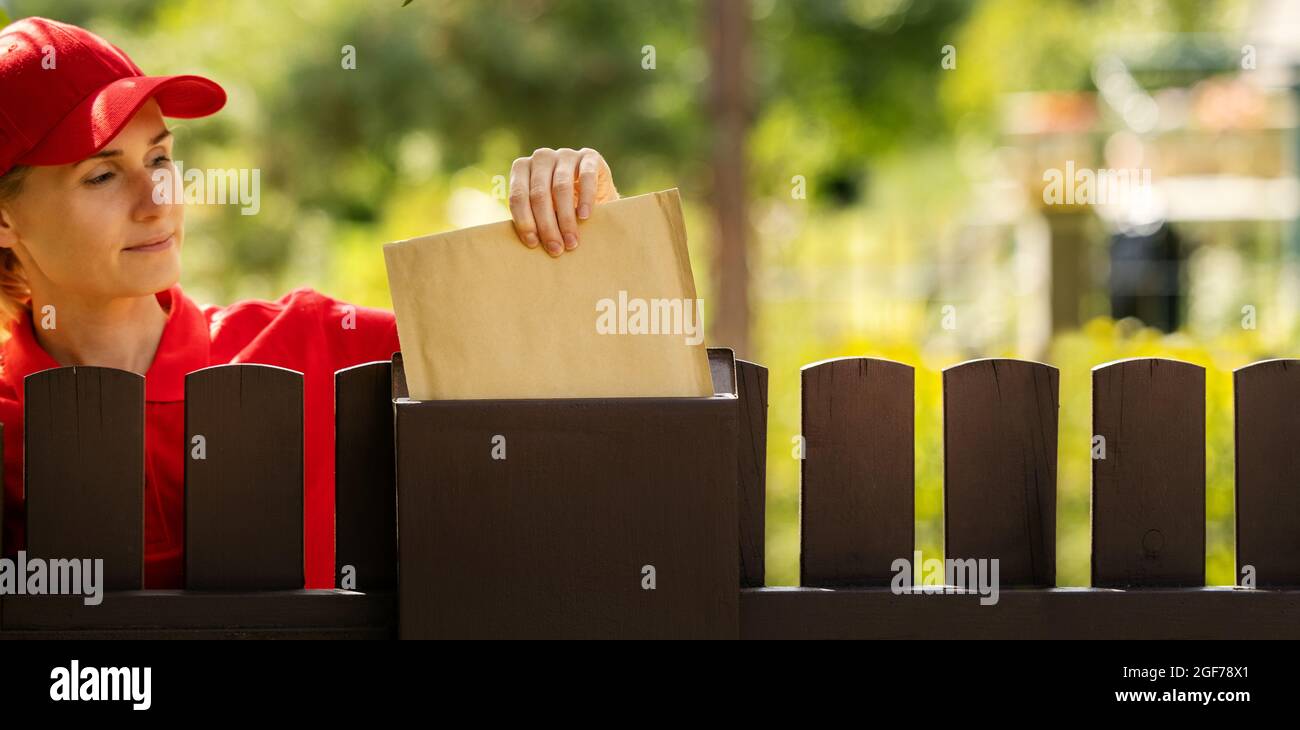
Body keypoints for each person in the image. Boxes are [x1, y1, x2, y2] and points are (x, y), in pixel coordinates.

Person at [0, 16, 620, 588]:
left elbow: (583, 380)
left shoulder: (318, 343)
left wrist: (601, 229)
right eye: (102, 175)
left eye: (160, 157)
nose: (156, 199)